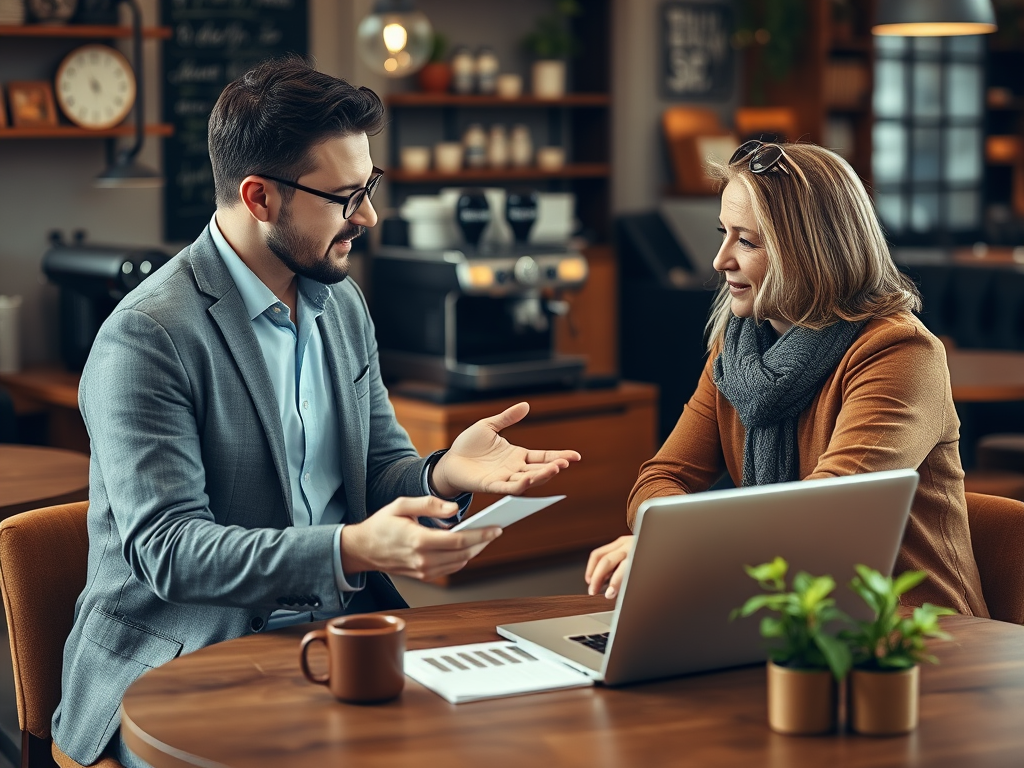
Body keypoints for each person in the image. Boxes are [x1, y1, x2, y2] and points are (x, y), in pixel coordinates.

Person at [51, 56, 580, 767]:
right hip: (185, 658)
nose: (369, 216)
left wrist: (444, 475)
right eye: (345, 197)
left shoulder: (340, 304)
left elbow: (376, 470)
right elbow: (171, 552)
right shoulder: (148, 337)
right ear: (259, 197)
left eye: (370, 188)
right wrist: (351, 549)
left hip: (339, 632)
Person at [585, 140, 987, 618]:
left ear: (812, 251)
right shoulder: (736, 351)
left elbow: (824, 516)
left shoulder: (900, 352)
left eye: (747, 241)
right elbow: (662, 476)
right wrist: (672, 539)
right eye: (723, 233)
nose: (720, 260)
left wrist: (677, 548)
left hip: (910, 634)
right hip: (785, 617)